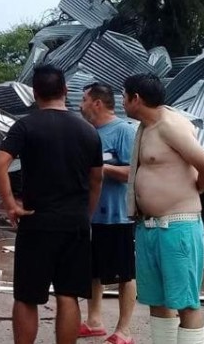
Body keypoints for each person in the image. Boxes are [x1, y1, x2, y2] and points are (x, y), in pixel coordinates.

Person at [0, 65, 103, 344]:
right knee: (68, 294)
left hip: (36, 220)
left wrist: (10, 205)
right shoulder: (88, 131)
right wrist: (85, 214)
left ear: (35, 93)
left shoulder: (26, 125)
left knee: (27, 297)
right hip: (74, 223)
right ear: (65, 91)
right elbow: (97, 179)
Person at [122, 74, 204, 344]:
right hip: (149, 226)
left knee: (186, 303)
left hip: (177, 226)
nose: (122, 102)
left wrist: (191, 191)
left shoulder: (170, 126)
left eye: (124, 96)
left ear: (136, 99)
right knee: (157, 300)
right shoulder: (147, 127)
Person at [79, 82, 138, 344]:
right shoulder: (88, 133)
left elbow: (131, 173)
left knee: (125, 273)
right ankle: (94, 320)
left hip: (118, 215)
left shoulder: (123, 131)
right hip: (91, 215)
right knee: (92, 271)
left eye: (83, 100)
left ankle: (124, 330)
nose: (80, 105)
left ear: (97, 103)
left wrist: (100, 168)